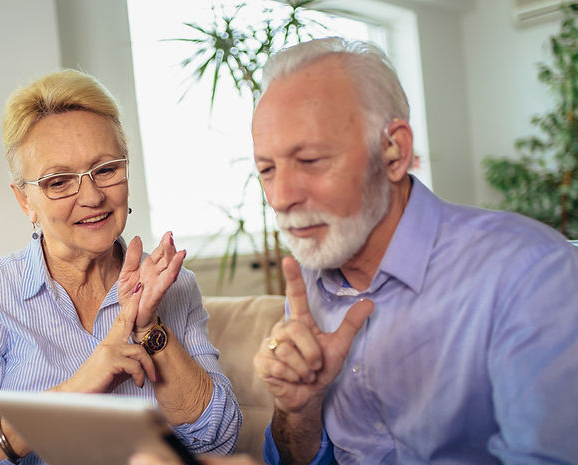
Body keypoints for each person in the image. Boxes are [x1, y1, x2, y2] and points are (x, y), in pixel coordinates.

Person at [132, 37, 578, 465]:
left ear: (394, 151)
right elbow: (293, 458)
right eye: (267, 170)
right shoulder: (311, 275)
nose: (281, 197)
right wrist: (298, 408)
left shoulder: (530, 272)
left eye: (310, 161)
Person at [0, 69, 241, 465]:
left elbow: (220, 441)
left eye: (106, 170)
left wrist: (150, 329)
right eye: (59, 182)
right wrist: (70, 395)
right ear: (25, 201)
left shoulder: (174, 284)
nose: (92, 197)